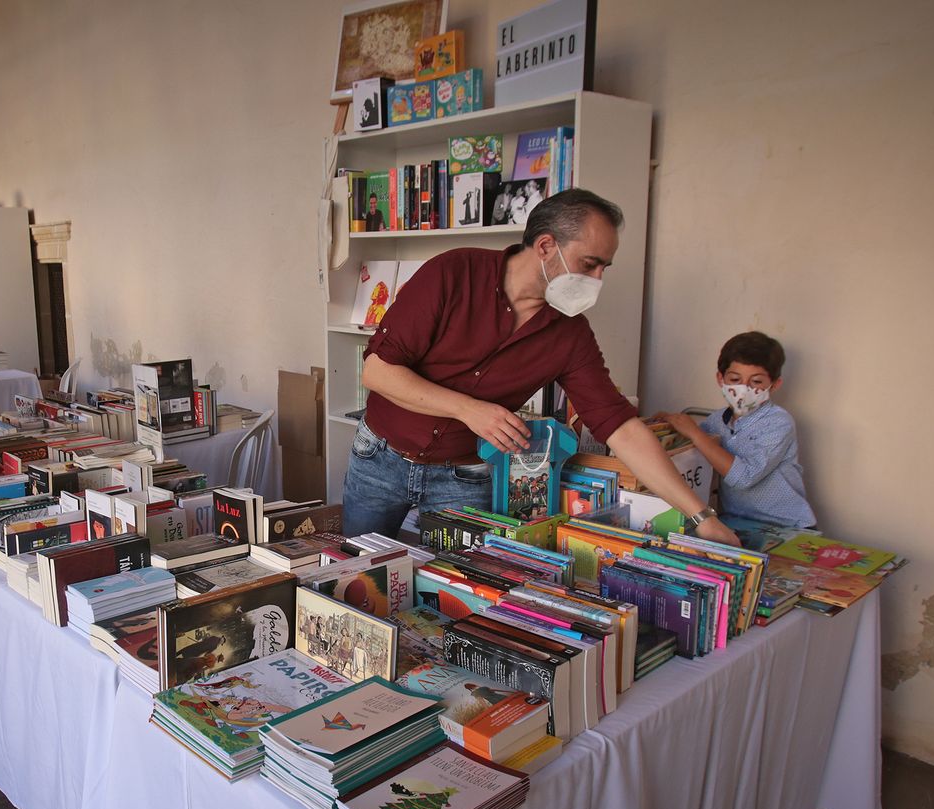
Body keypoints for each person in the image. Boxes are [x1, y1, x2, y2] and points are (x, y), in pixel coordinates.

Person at [344, 188, 740, 546]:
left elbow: (619, 427)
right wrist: (468, 409)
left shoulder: (570, 334)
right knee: (353, 578)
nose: (598, 280)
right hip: (379, 458)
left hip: (466, 477)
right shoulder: (454, 273)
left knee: (459, 593)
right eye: (590, 264)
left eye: (605, 268)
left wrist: (701, 517)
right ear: (546, 246)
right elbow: (377, 372)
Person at [657, 332, 815, 528]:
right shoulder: (716, 421)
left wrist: (695, 433)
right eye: (735, 379)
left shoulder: (779, 422)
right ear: (720, 379)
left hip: (788, 527)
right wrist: (667, 425)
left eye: (756, 382)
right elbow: (696, 447)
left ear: (774, 385)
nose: (744, 389)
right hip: (739, 524)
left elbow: (744, 477)